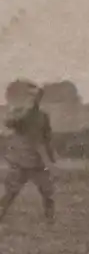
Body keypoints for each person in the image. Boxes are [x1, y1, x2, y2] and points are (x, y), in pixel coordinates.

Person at [0, 79, 56, 224]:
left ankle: (50, 221)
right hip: (19, 161)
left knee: (47, 191)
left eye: (36, 96)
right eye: (30, 96)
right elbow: (8, 123)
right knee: (10, 192)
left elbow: (47, 137)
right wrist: (26, 110)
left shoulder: (43, 116)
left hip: (37, 162)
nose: (33, 99)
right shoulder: (18, 112)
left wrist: (51, 157)